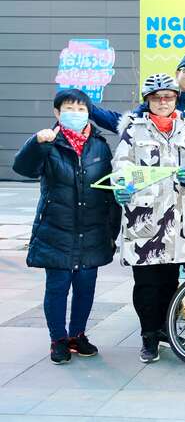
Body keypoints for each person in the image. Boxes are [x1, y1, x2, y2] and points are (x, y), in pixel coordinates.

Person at [13, 89, 119, 364]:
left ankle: (77, 335)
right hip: (57, 227)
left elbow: (109, 187)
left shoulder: (100, 144)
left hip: (92, 228)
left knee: (86, 287)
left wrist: (112, 229)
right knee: (58, 287)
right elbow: (23, 168)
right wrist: (36, 143)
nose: (76, 113)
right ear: (57, 113)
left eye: (81, 109)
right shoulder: (49, 141)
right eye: (69, 109)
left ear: (89, 113)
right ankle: (58, 339)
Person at [90, 52, 185, 276]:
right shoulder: (142, 118)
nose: (163, 102)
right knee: (154, 275)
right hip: (152, 204)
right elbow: (124, 150)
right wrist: (88, 108)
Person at [112, 73, 185, 364]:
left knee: (169, 281)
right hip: (145, 219)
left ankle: (164, 328)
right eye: (157, 98)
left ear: (176, 99)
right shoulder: (133, 131)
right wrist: (121, 186)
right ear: (148, 101)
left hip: (178, 219)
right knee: (146, 284)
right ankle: (148, 335)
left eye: (168, 97)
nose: (163, 102)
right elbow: (120, 166)